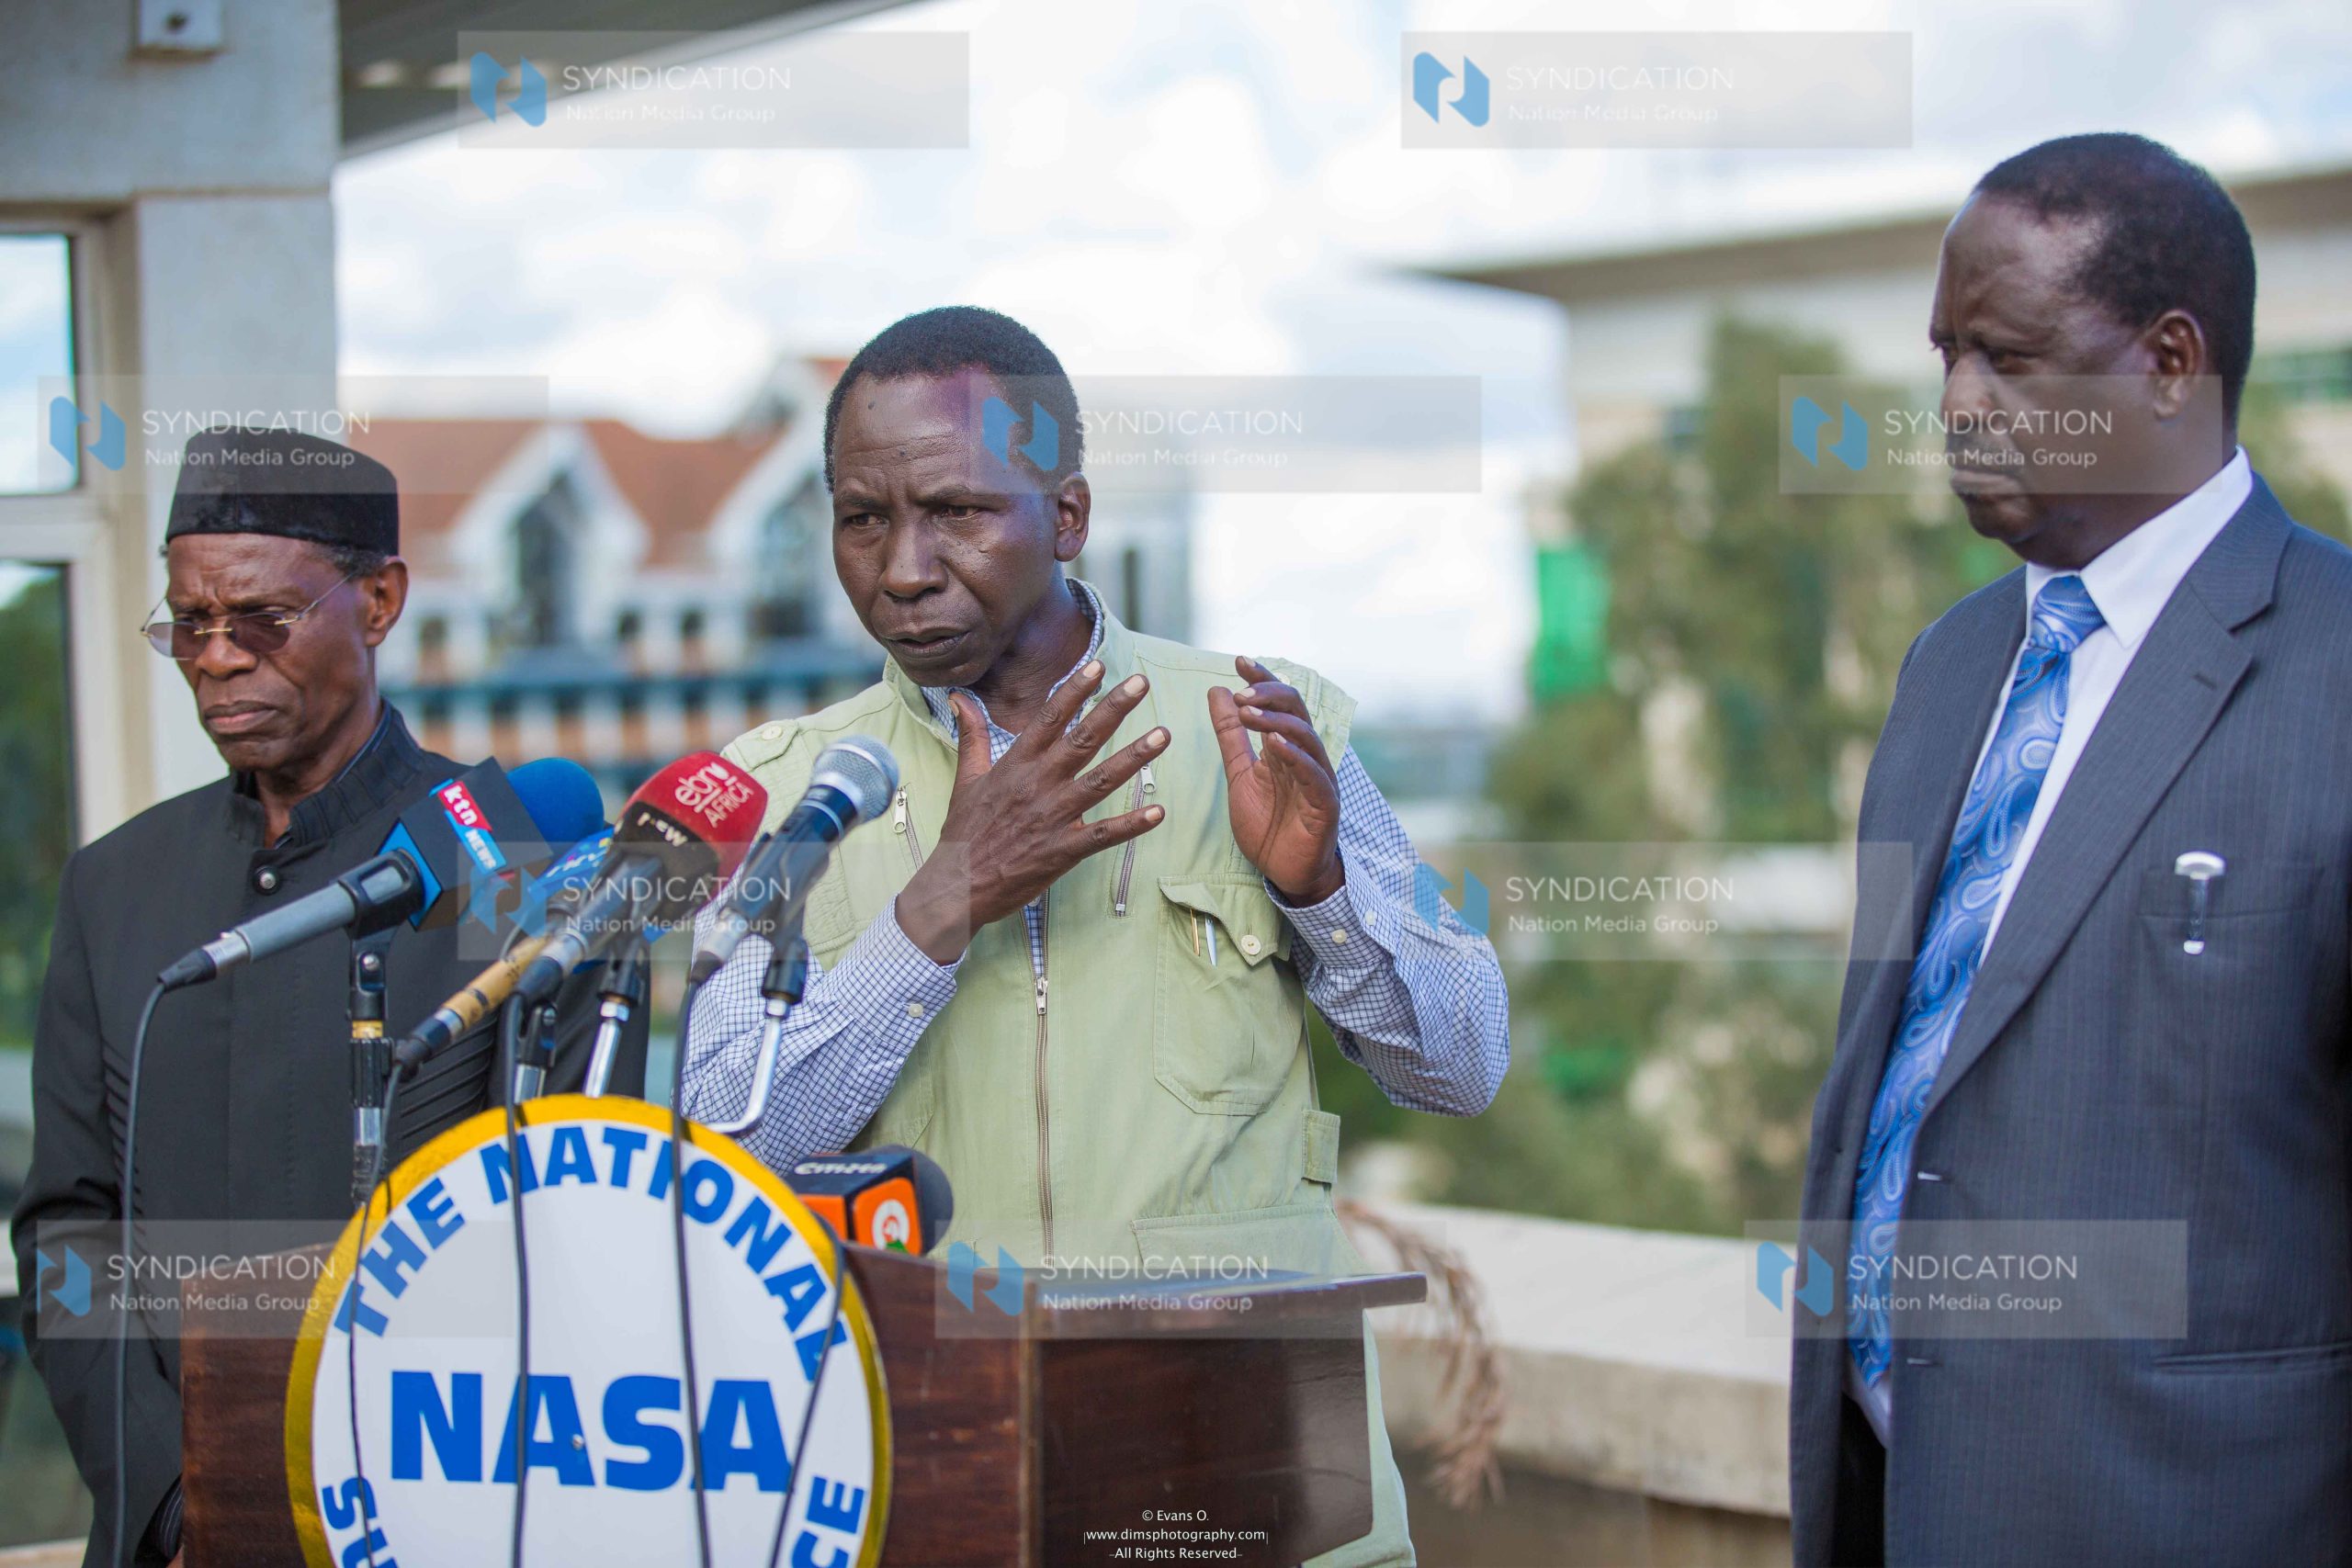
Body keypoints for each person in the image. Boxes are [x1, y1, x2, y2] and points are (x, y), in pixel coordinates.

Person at [684, 306, 1509, 1566]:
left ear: (1066, 515)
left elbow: (1463, 1060)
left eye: (957, 510)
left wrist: (1324, 889)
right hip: (929, 1483)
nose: (902, 565)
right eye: (863, 518)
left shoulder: (1266, 724)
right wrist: (938, 905)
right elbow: (720, 1147)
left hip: (1255, 1493)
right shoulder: (785, 791)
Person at [1792, 133, 2352, 1564]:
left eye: (2010, 361)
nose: (1958, 409)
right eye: (1943, 358)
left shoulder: (2333, 671)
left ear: (2171, 363)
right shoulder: (1949, 667)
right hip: (1898, 1505)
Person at [8, 427, 639, 1568]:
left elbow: (572, 1233)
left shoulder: (518, 864)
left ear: (381, 600)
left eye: (259, 619)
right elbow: (68, 1232)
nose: (217, 657)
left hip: (443, 1519)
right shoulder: (118, 886)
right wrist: (172, 1490)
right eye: (188, 625)